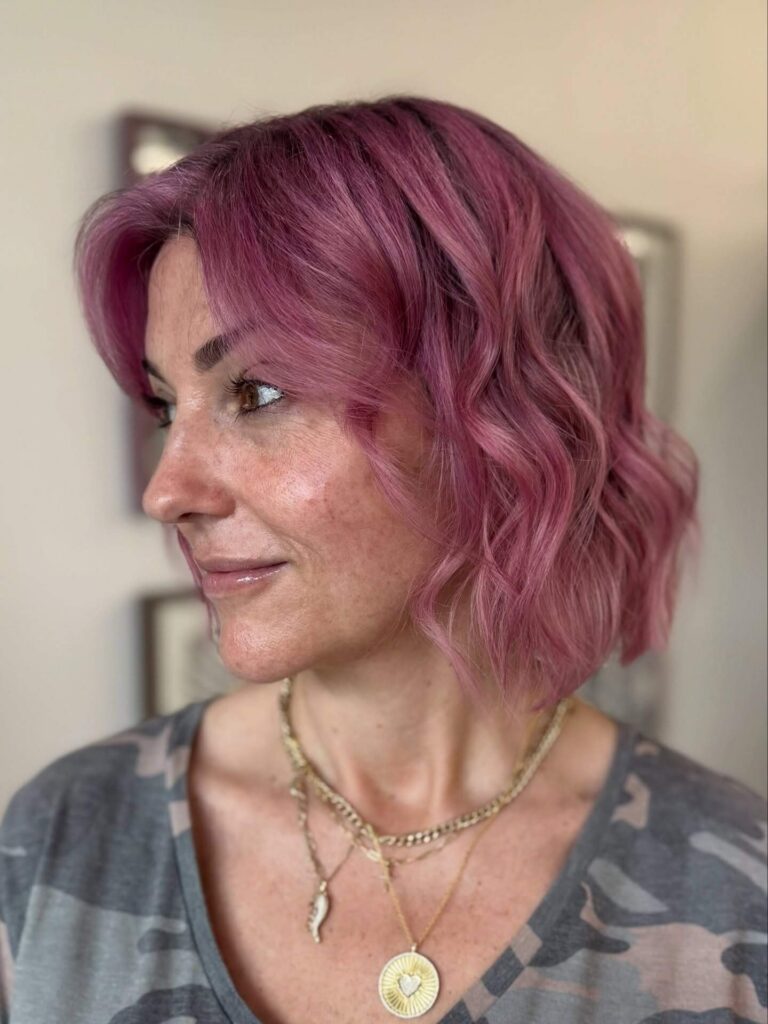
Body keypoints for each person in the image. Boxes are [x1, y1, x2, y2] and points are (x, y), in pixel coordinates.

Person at [1, 95, 765, 1024]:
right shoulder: (61, 839)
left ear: (502, 415)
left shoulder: (735, 891)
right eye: (168, 407)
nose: (169, 492)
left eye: (259, 390)